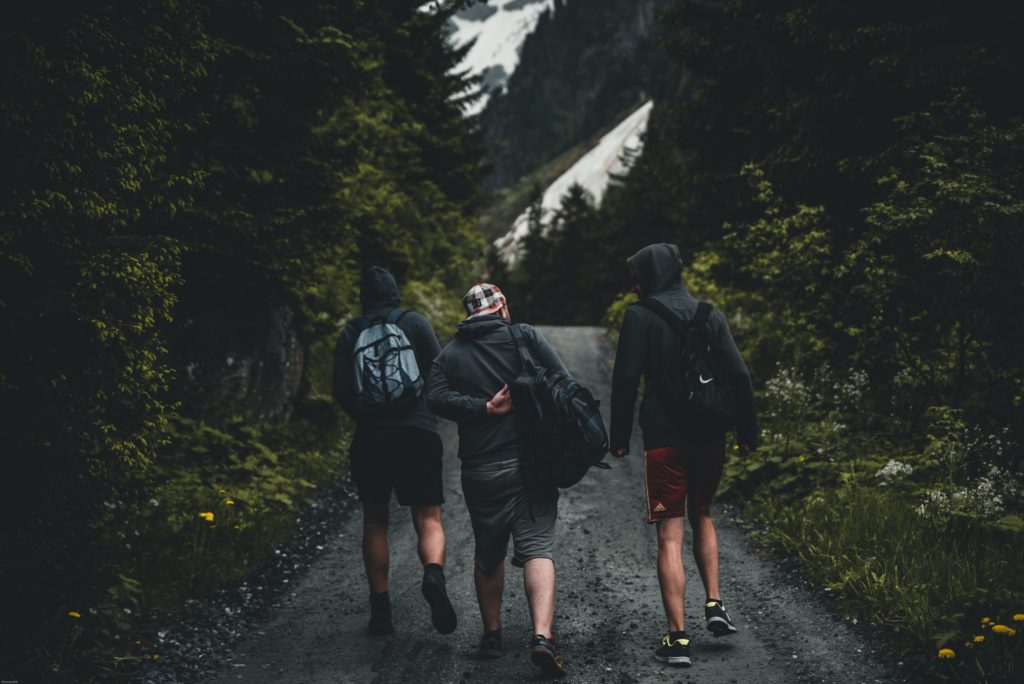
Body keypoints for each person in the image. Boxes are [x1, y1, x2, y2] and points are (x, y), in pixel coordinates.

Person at [609, 243, 757, 667]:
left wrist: (619, 437)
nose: (633, 284)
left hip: (665, 439)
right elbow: (740, 374)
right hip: (711, 434)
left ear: (649, 276)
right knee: (704, 513)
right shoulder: (710, 314)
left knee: (669, 535)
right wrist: (747, 432)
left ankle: (678, 639)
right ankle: (714, 602)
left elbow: (624, 379)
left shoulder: (639, 316)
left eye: (636, 276)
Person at [427, 283, 568, 679]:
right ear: (501, 304)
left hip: (479, 471)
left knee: (488, 555)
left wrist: (481, 408)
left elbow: (433, 399)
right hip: (530, 466)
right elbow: (563, 383)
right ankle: (542, 636)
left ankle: (492, 636)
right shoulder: (524, 337)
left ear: (469, 314)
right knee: (538, 549)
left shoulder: (450, 353)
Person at [332, 266, 457, 637]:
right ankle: (433, 575)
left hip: (372, 437)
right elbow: (440, 376)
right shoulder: (415, 324)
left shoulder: (351, 332)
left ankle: (381, 611)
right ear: (395, 293)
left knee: (375, 521)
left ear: (363, 297)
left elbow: (341, 389)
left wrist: (366, 416)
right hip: (417, 433)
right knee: (428, 517)